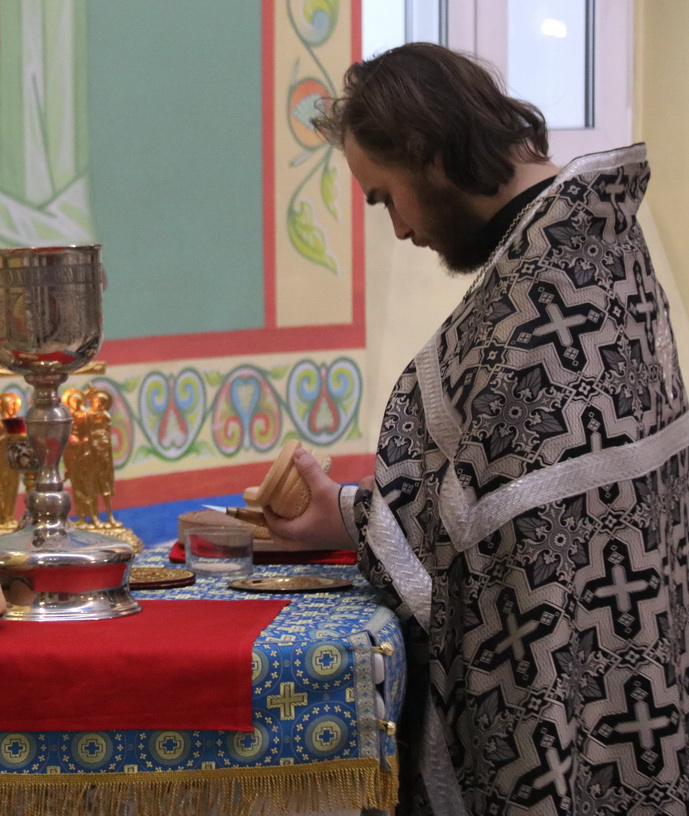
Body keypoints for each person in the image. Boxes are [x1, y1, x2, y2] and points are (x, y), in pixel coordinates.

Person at [266, 43, 689, 815]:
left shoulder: (538, 290)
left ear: (426, 152)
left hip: (553, 675)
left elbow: (481, 519)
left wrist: (354, 516)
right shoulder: (595, 244)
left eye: (383, 198)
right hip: (628, 664)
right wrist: (348, 513)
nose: (398, 229)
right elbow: (497, 493)